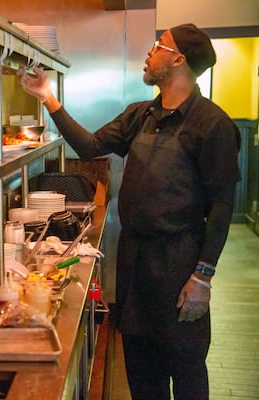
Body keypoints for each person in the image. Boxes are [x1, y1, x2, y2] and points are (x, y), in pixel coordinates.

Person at [19, 23, 240, 400]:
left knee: (186, 371)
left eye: (158, 47)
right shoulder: (141, 114)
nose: (149, 54)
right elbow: (89, 146)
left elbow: (222, 205)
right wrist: (48, 98)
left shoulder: (212, 123)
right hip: (134, 258)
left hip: (180, 261)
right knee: (140, 369)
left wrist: (203, 275)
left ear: (178, 59)